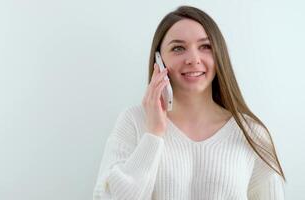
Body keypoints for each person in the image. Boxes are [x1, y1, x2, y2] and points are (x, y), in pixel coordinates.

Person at [93, 5, 286, 200]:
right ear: (159, 61)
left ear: (219, 55)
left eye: (205, 47)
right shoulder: (133, 122)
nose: (193, 59)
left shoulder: (251, 132)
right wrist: (153, 134)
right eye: (178, 48)